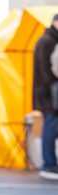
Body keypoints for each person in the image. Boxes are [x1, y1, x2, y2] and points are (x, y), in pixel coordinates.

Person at [34, 14, 58, 180]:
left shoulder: (49, 39)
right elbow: (45, 69)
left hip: (49, 92)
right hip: (48, 93)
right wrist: (52, 86)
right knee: (50, 126)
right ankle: (49, 164)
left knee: (52, 126)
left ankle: (50, 163)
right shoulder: (47, 40)